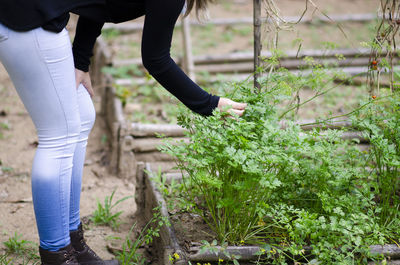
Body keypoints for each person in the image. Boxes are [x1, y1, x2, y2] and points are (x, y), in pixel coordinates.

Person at [0, 0, 247, 264]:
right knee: (58, 135)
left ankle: (72, 241)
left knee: (82, 115)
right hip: (26, 17)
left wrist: (81, 61)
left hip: (33, 15)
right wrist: (210, 104)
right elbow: (156, 60)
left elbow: (96, 6)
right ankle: (57, 253)